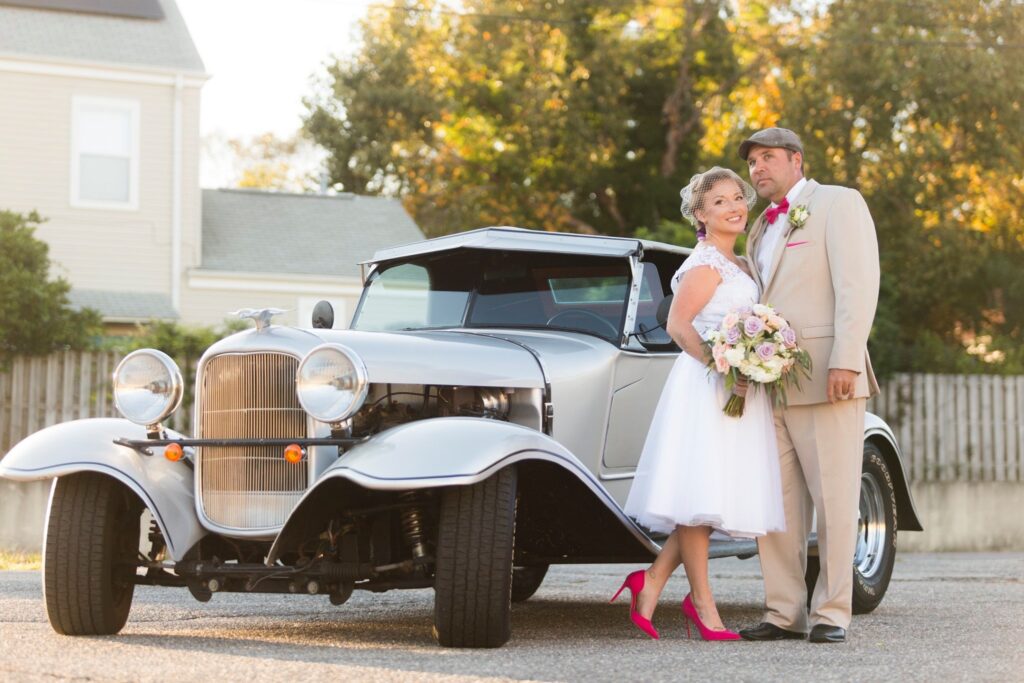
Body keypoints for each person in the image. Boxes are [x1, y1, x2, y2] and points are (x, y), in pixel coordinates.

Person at [614, 167, 786, 641]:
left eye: (738, 198)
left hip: (735, 389)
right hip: (707, 387)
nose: (734, 207)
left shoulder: (742, 264)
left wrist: (756, 361)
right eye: (719, 202)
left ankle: (649, 584)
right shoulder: (704, 264)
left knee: (705, 497)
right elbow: (679, 326)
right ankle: (703, 606)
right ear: (699, 215)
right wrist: (726, 366)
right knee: (697, 501)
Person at [736, 127, 880, 644]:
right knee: (774, 504)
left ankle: (832, 613)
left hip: (828, 379)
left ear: (796, 160)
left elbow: (858, 285)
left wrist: (846, 359)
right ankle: (783, 613)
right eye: (753, 163)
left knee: (835, 500)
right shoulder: (757, 229)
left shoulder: (839, 203)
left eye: (768, 158)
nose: (758, 170)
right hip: (767, 384)